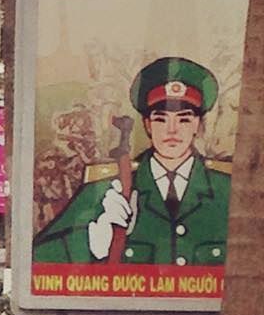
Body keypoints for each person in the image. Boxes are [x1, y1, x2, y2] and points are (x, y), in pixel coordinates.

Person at [33, 56, 230, 265]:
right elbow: (40, 258)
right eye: (161, 119)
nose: (172, 129)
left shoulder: (228, 191)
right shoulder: (109, 189)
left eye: (183, 119)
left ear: (198, 126)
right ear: (147, 125)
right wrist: (90, 242)